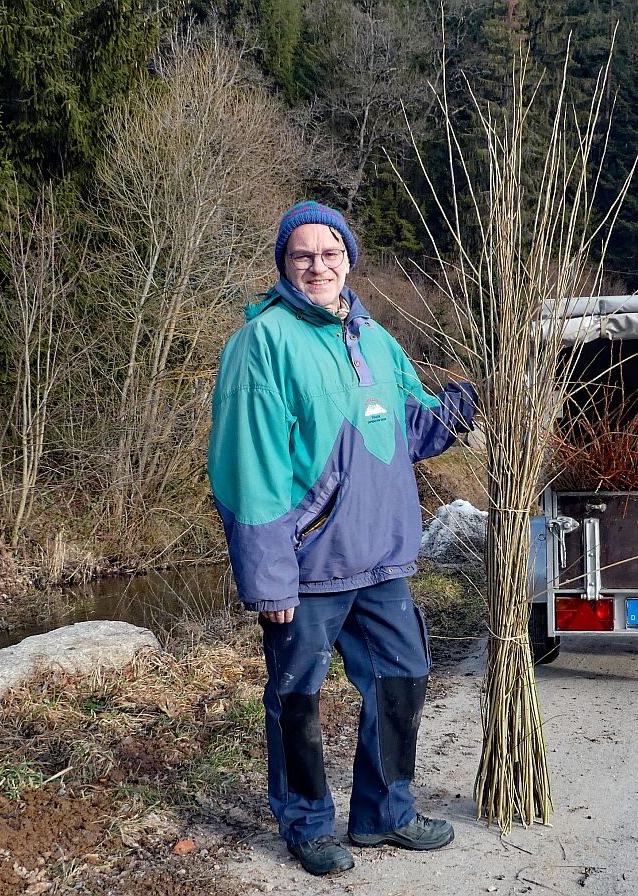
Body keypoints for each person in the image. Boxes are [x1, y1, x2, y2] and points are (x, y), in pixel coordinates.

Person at [208, 201, 476, 876]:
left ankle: (383, 814)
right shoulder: (262, 343)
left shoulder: (373, 336)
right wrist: (269, 578)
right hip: (308, 567)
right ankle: (306, 824)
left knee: (403, 680)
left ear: (349, 259)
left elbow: (411, 430)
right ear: (284, 264)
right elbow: (250, 468)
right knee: (297, 700)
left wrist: (465, 399)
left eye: (330, 253)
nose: (318, 265)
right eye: (303, 254)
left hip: (383, 559)